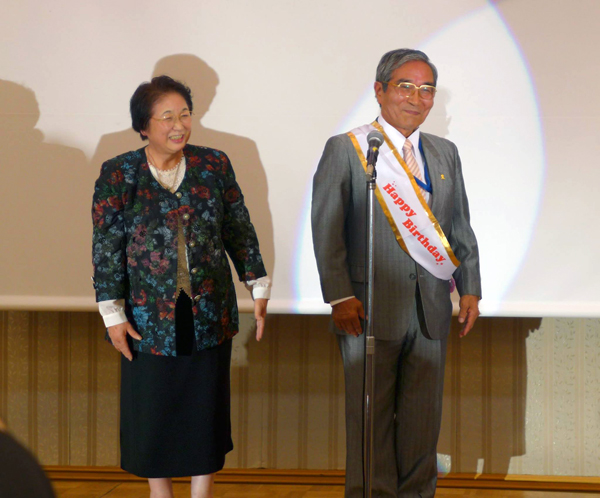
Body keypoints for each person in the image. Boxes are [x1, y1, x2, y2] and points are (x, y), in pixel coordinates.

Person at [311, 49, 481, 497]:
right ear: (380, 90)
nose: (417, 98)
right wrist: (338, 295)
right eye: (405, 86)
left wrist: (471, 289)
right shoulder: (349, 149)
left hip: (430, 311)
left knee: (423, 424)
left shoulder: (445, 154)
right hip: (367, 309)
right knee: (370, 424)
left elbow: (459, 227)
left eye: (427, 89)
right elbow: (327, 228)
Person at [92, 75, 270, 498]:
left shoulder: (214, 164)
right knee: (154, 408)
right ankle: (160, 491)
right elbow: (106, 248)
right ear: (144, 126)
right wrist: (112, 315)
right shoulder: (119, 173)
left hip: (209, 307)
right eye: (167, 117)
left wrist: (257, 286)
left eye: (185, 115)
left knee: (203, 405)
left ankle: (201, 490)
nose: (179, 125)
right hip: (147, 315)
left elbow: (239, 228)